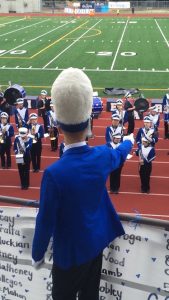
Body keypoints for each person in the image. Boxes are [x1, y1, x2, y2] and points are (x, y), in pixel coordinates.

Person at [32, 68, 134, 300]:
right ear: (89, 122)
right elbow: (119, 153)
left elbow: (45, 219)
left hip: (69, 256)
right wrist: (128, 141)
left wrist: (37, 254)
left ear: (57, 126)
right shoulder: (101, 156)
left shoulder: (54, 173)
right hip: (96, 245)